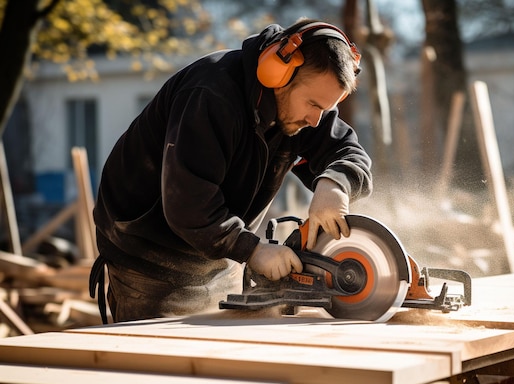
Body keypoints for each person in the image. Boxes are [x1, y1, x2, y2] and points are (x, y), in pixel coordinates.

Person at [88, 18, 373, 324]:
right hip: (148, 256)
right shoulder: (210, 95)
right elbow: (188, 203)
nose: (317, 120)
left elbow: (348, 151)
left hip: (220, 252)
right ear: (279, 74)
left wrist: (335, 184)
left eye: (326, 109)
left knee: (220, 354)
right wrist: (252, 250)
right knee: (160, 363)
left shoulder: (305, 109)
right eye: (313, 104)